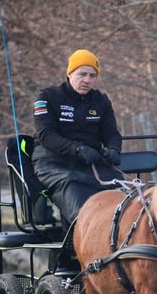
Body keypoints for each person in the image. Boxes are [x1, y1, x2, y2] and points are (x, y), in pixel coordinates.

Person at [31, 48, 123, 231]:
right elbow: (45, 135)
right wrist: (77, 149)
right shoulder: (48, 97)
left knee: (124, 197)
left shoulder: (101, 101)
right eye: (82, 74)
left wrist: (114, 149)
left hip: (92, 166)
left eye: (92, 75)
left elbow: (112, 134)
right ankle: (83, 241)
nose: (87, 80)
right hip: (54, 165)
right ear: (70, 73)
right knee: (79, 200)